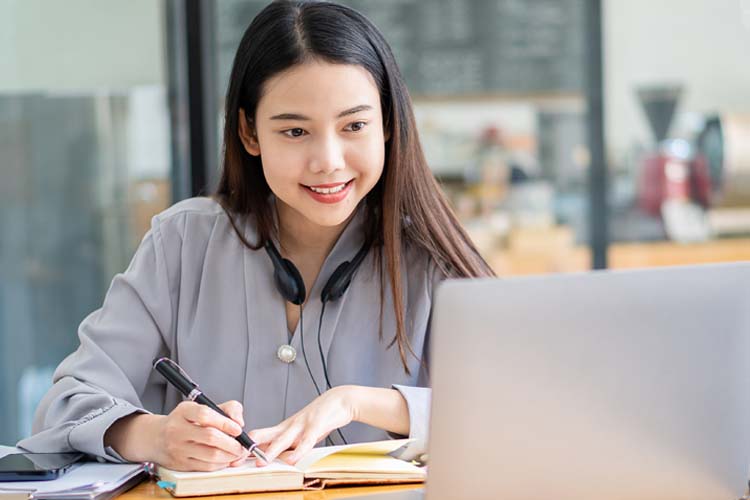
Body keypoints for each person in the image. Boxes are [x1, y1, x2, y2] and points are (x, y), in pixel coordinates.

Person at [18, 0, 494, 472]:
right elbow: (64, 406)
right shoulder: (183, 243)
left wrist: (356, 403)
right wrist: (157, 436)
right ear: (249, 132)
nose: (328, 159)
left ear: (388, 125)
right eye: (294, 131)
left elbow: (516, 404)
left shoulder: (434, 260)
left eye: (354, 125)